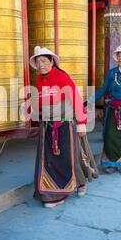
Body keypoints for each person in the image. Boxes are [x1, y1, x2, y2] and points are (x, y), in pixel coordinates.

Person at [30, 46, 98, 208]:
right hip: (47, 126)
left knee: (69, 157)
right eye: (38, 62)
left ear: (52, 61)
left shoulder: (61, 77)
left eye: (44, 61)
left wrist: (81, 123)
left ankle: (79, 183)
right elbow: (41, 102)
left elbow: (75, 98)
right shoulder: (40, 80)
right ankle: (52, 192)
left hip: (64, 125)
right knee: (50, 160)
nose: (41, 65)